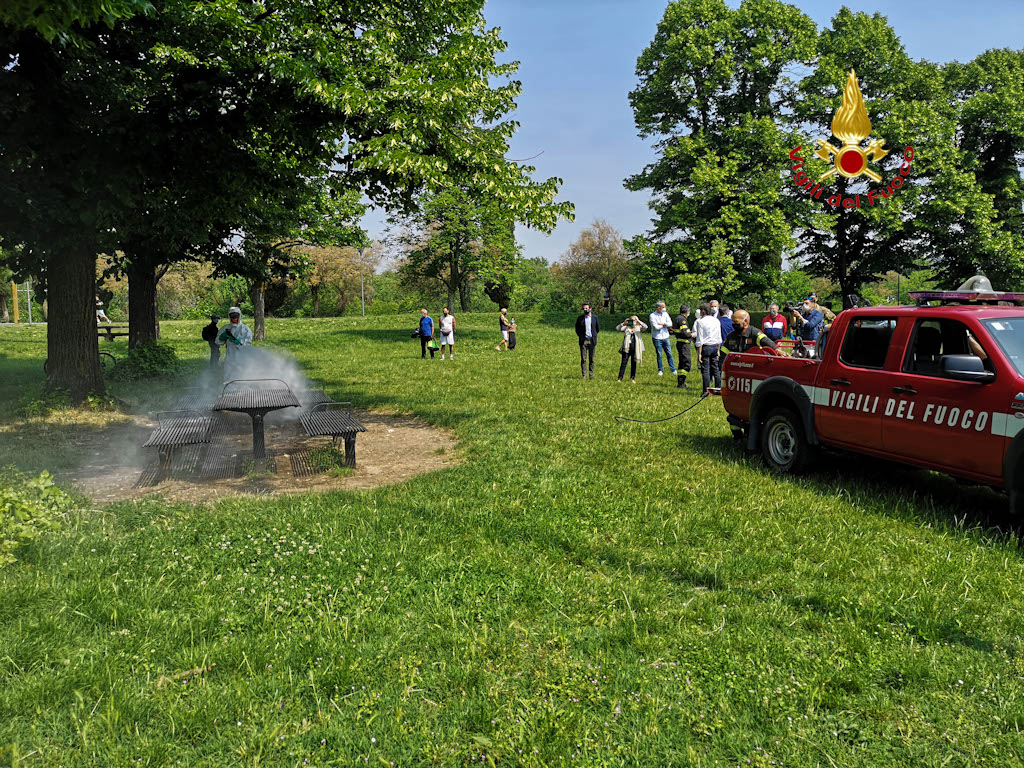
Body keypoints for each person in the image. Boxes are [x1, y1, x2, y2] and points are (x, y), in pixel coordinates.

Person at [694, 301, 723, 392]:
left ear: (703, 311)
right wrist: (718, 349)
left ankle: (706, 390)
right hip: (715, 346)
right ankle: (718, 388)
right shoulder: (716, 320)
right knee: (716, 368)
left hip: (706, 347)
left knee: (706, 370)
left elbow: (700, 339)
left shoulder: (700, 322)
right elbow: (719, 336)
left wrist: (699, 353)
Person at [217, 306, 253, 378]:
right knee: (228, 378)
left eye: (235, 316)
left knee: (241, 378)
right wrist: (222, 337)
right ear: (229, 317)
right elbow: (217, 341)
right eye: (232, 316)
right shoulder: (225, 328)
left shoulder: (245, 329)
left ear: (239, 316)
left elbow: (248, 343)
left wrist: (238, 341)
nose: (234, 318)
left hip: (242, 359)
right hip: (229, 359)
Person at [648, 301, 677, 377]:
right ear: (659, 308)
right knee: (659, 354)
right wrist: (664, 325)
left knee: (669, 353)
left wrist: (662, 324)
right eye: (663, 307)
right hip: (657, 337)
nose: (664, 309)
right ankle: (660, 370)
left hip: (666, 336)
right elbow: (655, 327)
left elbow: (670, 324)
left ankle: (673, 369)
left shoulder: (665, 314)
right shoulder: (652, 315)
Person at [616, 315, 647, 383]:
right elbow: (618, 328)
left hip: (635, 348)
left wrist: (639, 321)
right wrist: (623, 323)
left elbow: (645, 327)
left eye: (635, 320)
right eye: (632, 320)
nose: (633, 321)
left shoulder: (639, 328)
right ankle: (620, 378)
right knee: (623, 363)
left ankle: (632, 378)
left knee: (634, 363)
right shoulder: (626, 327)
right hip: (626, 348)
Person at [574, 301, 600, 379]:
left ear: (590, 308)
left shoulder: (595, 318)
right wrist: (581, 337)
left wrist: (593, 336)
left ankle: (591, 375)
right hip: (583, 340)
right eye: (584, 309)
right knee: (583, 359)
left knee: (591, 359)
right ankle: (584, 375)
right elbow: (577, 329)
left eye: (586, 308)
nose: (585, 310)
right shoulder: (580, 318)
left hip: (592, 340)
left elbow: (597, 329)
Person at [672, 304, 695, 389]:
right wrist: (692, 335)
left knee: (682, 363)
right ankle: (681, 382)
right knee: (687, 364)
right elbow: (685, 332)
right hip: (684, 344)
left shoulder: (678, 318)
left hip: (681, 344)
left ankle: (680, 383)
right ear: (687, 311)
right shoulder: (682, 319)